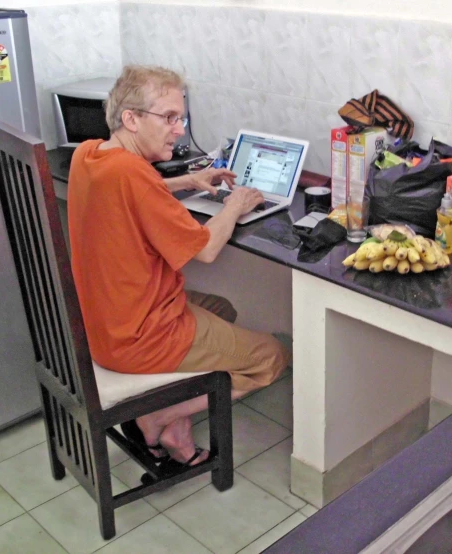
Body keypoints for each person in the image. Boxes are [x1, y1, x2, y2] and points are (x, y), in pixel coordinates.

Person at [67, 65, 290, 470]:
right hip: (140, 337)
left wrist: (186, 181)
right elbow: (204, 250)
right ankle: (159, 417)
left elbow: (132, 188)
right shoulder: (134, 175)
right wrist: (236, 204)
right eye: (168, 118)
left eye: (181, 118)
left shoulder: (90, 155)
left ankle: (175, 422)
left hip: (104, 324)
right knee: (273, 356)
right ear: (131, 119)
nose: (178, 130)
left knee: (222, 308)